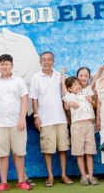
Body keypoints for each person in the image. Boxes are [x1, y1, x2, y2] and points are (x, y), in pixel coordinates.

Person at [0, 54, 32, 191]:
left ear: (12, 65)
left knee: (19, 152)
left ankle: (21, 181)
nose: (4, 66)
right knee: (2, 154)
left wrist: (22, 117)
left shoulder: (18, 81)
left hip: (17, 123)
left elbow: (24, 99)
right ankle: (4, 183)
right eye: (1, 64)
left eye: (7, 64)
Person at [30, 51, 73, 187]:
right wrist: (36, 116)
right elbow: (34, 98)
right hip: (45, 119)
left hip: (60, 118)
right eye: (44, 60)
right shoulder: (36, 78)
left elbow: (63, 96)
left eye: (49, 60)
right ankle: (50, 176)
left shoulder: (59, 76)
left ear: (53, 62)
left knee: (63, 148)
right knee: (47, 149)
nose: (47, 62)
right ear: (40, 62)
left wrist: (66, 114)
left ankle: (64, 175)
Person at [61, 69, 98, 186]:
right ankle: (83, 176)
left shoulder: (86, 92)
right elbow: (63, 85)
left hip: (88, 125)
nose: (77, 86)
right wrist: (63, 74)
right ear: (69, 88)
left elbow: (94, 80)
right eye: (73, 85)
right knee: (79, 153)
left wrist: (101, 71)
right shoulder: (69, 97)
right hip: (76, 126)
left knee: (90, 152)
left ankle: (91, 176)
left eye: (77, 84)